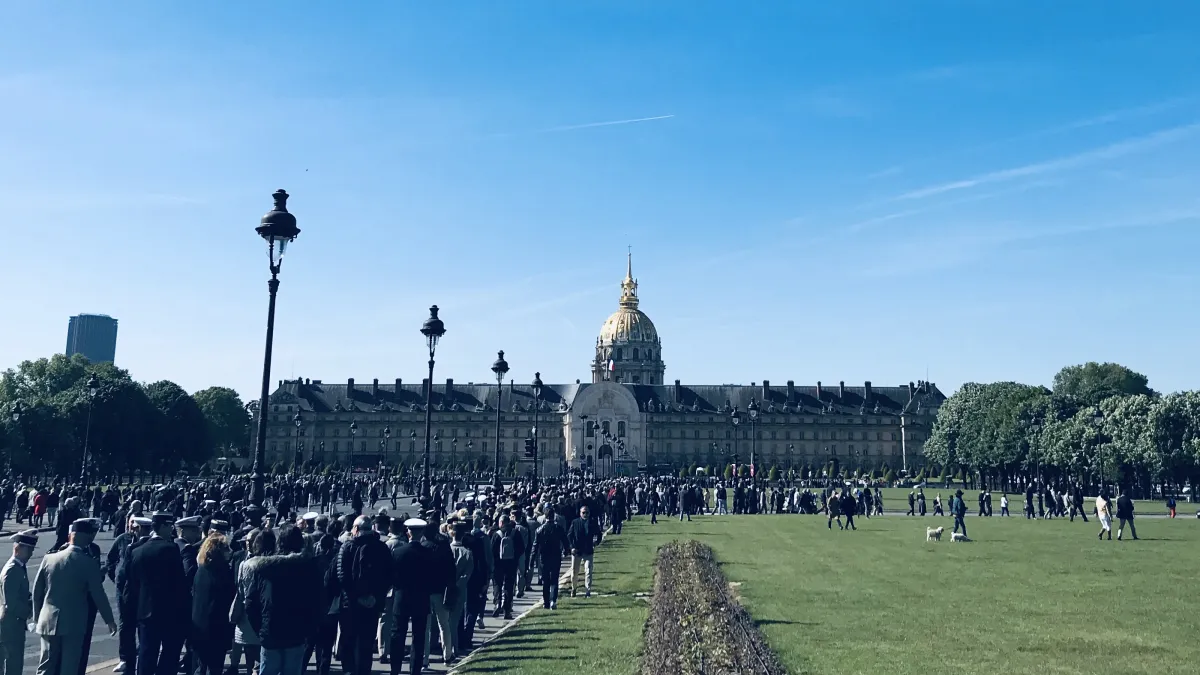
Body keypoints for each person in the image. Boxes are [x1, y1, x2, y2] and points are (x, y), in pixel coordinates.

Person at [32, 518, 116, 675]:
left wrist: (37, 617)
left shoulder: (49, 558)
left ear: (70, 536)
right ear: (87, 538)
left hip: (48, 620)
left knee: (45, 666)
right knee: (69, 667)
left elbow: (37, 592)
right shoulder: (88, 563)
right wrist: (109, 620)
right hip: (74, 623)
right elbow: (98, 595)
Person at [238, 524, 321, 675]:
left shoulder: (265, 567)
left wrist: (260, 629)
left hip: (270, 631)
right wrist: (309, 629)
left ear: (279, 542)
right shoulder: (308, 567)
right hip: (297, 632)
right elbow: (317, 602)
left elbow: (250, 602)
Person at [123, 512, 189, 675]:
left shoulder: (137, 551)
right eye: (169, 526)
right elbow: (179, 582)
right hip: (169, 610)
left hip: (145, 611)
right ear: (163, 527)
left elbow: (131, 585)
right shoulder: (171, 548)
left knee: (146, 652)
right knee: (169, 652)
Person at [336, 516, 391, 675]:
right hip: (372, 604)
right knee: (366, 644)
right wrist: (376, 597)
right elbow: (388, 576)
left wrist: (355, 597)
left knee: (348, 642)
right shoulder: (381, 548)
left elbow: (342, 576)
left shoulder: (348, 547)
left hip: (350, 604)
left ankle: (349, 671)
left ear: (356, 529)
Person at [389, 518, 434, 675]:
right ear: (422, 533)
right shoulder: (428, 553)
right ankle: (415, 670)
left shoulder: (398, 552)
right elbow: (432, 578)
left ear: (408, 532)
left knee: (397, 634)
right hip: (421, 598)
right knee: (418, 637)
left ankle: (395, 669)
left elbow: (392, 576)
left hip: (401, 597)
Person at [190, 532, 235, 675]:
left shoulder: (201, 570)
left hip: (199, 625)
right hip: (218, 627)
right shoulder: (224, 572)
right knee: (215, 667)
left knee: (201, 665)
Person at [0, 530, 38, 675]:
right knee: (13, 665)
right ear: (18, 549)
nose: (31, 554)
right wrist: (29, 612)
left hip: (12, 623)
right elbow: (11, 603)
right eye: (29, 550)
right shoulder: (12, 569)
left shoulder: (18, 567)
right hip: (11, 624)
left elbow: (19, 592)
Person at [532, 514, 566, 610]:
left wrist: (532, 559)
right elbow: (565, 540)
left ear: (545, 518)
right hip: (556, 555)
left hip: (544, 557)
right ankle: (553, 600)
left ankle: (546, 602)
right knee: (554, 579)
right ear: (553, 517)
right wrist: (566, 550)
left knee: (546, 581)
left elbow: (535, 545)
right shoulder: (558, 528)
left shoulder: (539, 530)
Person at [567, 505, 599, 599]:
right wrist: (572, 547)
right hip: (577, 550)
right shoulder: (575, 522)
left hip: (588, 550)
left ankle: (588, 590)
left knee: (588, 570)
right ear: (580, 513)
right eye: (583, 513)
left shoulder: (592, 522)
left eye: (587, 513)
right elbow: (569, 535)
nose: (585, 514)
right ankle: (574, 588)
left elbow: (599, 533)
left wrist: (596, 542)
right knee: (574, 571)